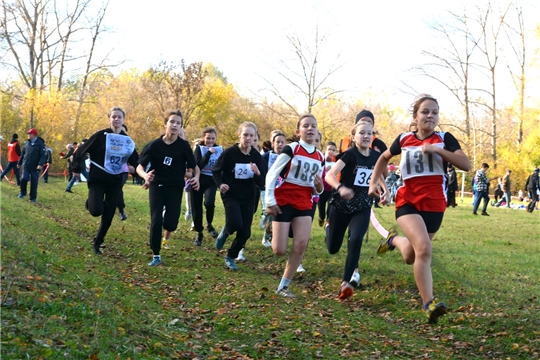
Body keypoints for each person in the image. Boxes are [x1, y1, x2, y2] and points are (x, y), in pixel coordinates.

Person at [368, 94, 471, 324]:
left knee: (411, 255)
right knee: (424, 250)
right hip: (408, 203)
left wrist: (436, 151)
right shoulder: (404, 139)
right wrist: (374, 181)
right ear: (415, 116)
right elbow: (383, 158)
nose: (430, 116)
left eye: (434, 112)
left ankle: (394, 240)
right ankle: (429, 304)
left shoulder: (445, 138)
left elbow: (465, 164)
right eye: (425, 112)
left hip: (434, 205)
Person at [265, 114, 324, 298]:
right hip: (283, 200)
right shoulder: (291, 149)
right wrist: (269, 201)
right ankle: (271, 227)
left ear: (317, 131)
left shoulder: (320, 156)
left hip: (304, 202)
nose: (310, 129)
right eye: (306, 126)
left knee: (301, 244)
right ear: (299, 131)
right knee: (279, 250)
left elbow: (316, 188)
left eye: (313, 126)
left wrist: (319, 188)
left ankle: (283, 286)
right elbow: (271, 174)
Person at [325, 121, 384, 299]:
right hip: (341, 204)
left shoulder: (375, 156)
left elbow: (379, 174)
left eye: (369, 133)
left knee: (356, 239)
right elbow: (330, 175)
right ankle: (328, 227)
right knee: (333, 248)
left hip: (362, 204)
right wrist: (341, 188)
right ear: (353, 137)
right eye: (361, 133)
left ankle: (346, 283)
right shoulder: (350, 154)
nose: (366, 136)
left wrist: (385, 191)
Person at [72, 107, 139, 255]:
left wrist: (135, 170)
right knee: (96, 211)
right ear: (109, 118)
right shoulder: (100, 136)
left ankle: (97, 243)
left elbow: (136, 161)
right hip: (98, 180)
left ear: (123, 120)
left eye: (119, 117)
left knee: (108, 214)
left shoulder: (127, 141)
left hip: (115, 182)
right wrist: (76, 169)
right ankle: (91, 202)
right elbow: (80, 151)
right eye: (113, 117)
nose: (116, 119)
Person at [136, 109, 199, 266]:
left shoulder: (184, 146)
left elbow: (195, 167)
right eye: (172, 122)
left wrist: (196, 178)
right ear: (165, 124)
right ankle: (156, 254)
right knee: (156, 219)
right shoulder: (154, 145)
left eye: (178, 123)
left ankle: (167, 221)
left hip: (175, 187)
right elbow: (139, 167)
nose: (175, 125)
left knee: (171, 224)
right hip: (157, 186)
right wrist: (145, 176)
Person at [212, 122, 266, 271]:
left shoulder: (257, 156)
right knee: (235, 222)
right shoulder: (230, 153)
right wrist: (220, 184)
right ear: (239, 135)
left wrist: (257, 173)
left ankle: (230, 256)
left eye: (251, 135)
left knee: (245, 233)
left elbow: (262, 182)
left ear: (255, 137)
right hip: (231, 194)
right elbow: (216, 171)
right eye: (245, 135)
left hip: (249, 196)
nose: (248, 138)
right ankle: (226, 231)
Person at [192, 127, 222, 246]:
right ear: (203, 138)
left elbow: (222, 165)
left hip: (211, 180)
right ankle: (199, 232)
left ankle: (209, 224)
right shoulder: (199, 149)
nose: (210, 141)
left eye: (213, 138)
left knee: (209, 203)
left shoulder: (220, 149)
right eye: (208, 138)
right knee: (196, 207)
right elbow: (198, 164)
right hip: (198, 179)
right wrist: (208, 153)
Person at [259, 130, 286, 247]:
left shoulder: (288, 158)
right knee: (267, 210)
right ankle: (263, 216)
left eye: (282, 142)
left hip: (281, 190)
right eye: (278, 142)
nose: (280, 144)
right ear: (273, 143)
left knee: (274, 214)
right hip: (266, 188)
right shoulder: (265, 157)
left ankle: (266, 237)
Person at [17, 128, 46, 202]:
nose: (28, 135)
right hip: (26, 164)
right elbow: (23, 154)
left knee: (34, 182)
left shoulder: (40, 143)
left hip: (35, 166)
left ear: (33, 135)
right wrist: (19, 163)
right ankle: (23, 192)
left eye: (29, 134)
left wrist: (40, 164)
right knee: (24, 178)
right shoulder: (27, 142)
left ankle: (32, 197)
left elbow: (43, 155)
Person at [116, 125, 135, 221]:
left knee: (118, 188)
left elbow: (134, 158)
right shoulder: (110, 142)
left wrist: (133, 167)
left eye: (123, 132)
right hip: (108, 170)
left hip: (123, 171)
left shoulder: (128, 144)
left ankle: (121, 210)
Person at [317, 141, 337, 227]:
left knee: (330, 210)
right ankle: (321, 217)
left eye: (333, 150)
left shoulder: (336, 164)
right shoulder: (321, 161)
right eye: (329, 149)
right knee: (321, 210)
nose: (331, 152)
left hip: (331, 191)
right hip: (321, 190)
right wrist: (325, 169)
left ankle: (328, 225)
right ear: (325, 150)